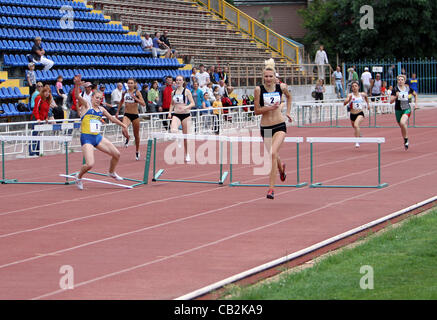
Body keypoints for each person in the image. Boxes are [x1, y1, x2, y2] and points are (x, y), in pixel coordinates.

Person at [72, 74, 128, 190]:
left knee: (117, 154)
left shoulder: (101, 110)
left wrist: (124, 125)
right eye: (96, 98)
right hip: (86, 138)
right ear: (92, 98)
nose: (98, 100)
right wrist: (77, 85)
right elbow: (77, 95)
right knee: (90, 164)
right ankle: (79, 176)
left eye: (100, 98)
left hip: (97, 137)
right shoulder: (86, 106)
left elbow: (112, 119)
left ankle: (111, 172)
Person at [253, 59, 292, 200]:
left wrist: (288, 112)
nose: (268, 79)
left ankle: (271, 189)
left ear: (275, 76)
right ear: (263, 77)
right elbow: (256, 111)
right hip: (266, 127)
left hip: (279, 124)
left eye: (271, 76)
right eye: (266, 76)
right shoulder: (258, 90)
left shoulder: (281, 87)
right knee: (274, 154)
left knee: (273, 153)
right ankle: (281, 169)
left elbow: (289, 97)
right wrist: (269, 108)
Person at [116, 78, 146, 161]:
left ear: (134, 84)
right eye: (128, 83)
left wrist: (135, 98)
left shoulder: (137, 92)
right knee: (123, 129)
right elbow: (121, 101)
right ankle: (128, 137)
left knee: (136, 135)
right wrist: (118, 111)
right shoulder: (124, 92)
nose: (129, 84)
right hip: (127, 114)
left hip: (135, 115)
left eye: (131, 83)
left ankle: (137, 151)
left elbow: (143, 104)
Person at [168, 75, 195, 162]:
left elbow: (192, 103)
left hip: (186, 115)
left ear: (183, 82)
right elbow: (172, 104)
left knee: (186, 136)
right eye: (177, 80)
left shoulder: (186, 91)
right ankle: (178, 138)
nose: (178, 82)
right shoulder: (173, 92)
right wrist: (169, 112)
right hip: (176, 114)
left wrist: (186, 107)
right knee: (173, 129)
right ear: (175, 82)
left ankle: (187, 154)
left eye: (180, 80)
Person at [390, 74, 419, 150]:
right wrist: (396, 96)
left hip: (406, 109)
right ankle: (406, 139)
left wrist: (416, 104)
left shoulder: (408, 88)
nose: (400, 81)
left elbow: (415, 95)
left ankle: (406, 140)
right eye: (399, 80)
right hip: (398, 110)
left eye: (401, 80)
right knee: (402, 126)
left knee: (403, 123)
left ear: (404, 81)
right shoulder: (395, 89)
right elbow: (390, 101)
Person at [343, 81, 370, 148]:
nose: (354, 87)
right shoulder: (350, 95)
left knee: (356, 125)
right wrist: (348, 100)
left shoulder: (362, 94)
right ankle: (359, 135)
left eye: (355, 86)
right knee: (355, 127)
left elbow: (366, 97)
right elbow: (344, 103)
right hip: (352, 114)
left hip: (360, 113)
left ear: (358, 87)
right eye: (353, 86)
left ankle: (357, 142)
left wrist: (368, 104)